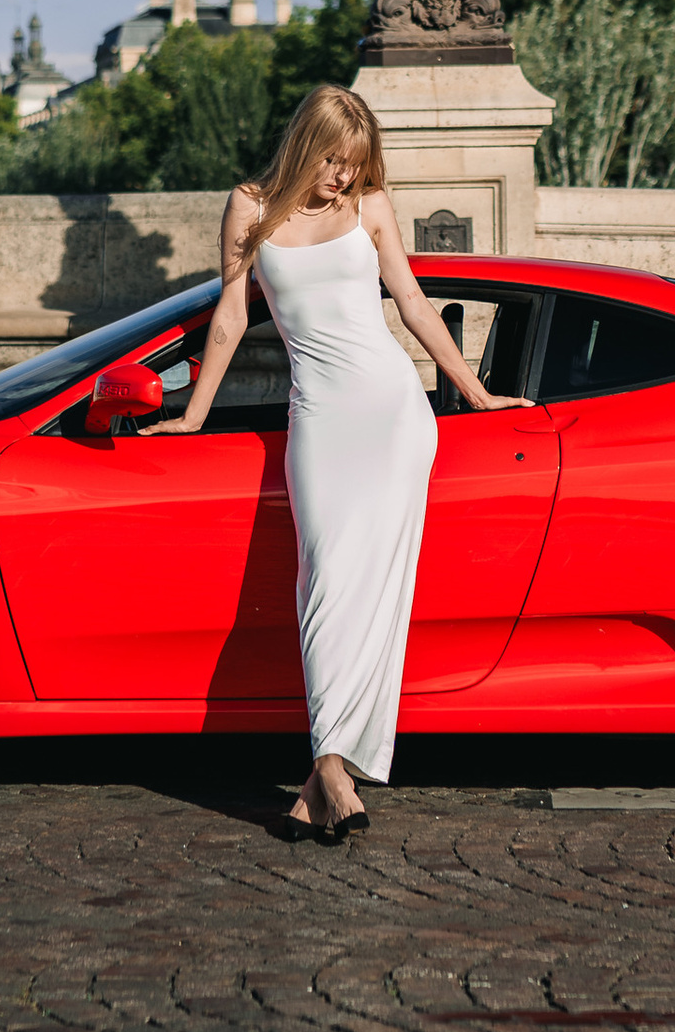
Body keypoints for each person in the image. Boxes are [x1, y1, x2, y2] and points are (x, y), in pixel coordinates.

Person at [168, 84, 510, 840]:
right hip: (318, 419)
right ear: (305, 143)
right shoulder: (250, 208)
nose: (343, 178)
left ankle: (326, 770)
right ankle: (324, 778)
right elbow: (231, 314)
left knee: (375, 598)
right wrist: (193, 414)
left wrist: (476, 395)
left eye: (354, 165)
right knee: (324, 583)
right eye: (332, 160)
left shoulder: (373, 207)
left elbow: (414, 305)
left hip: (391, 415)